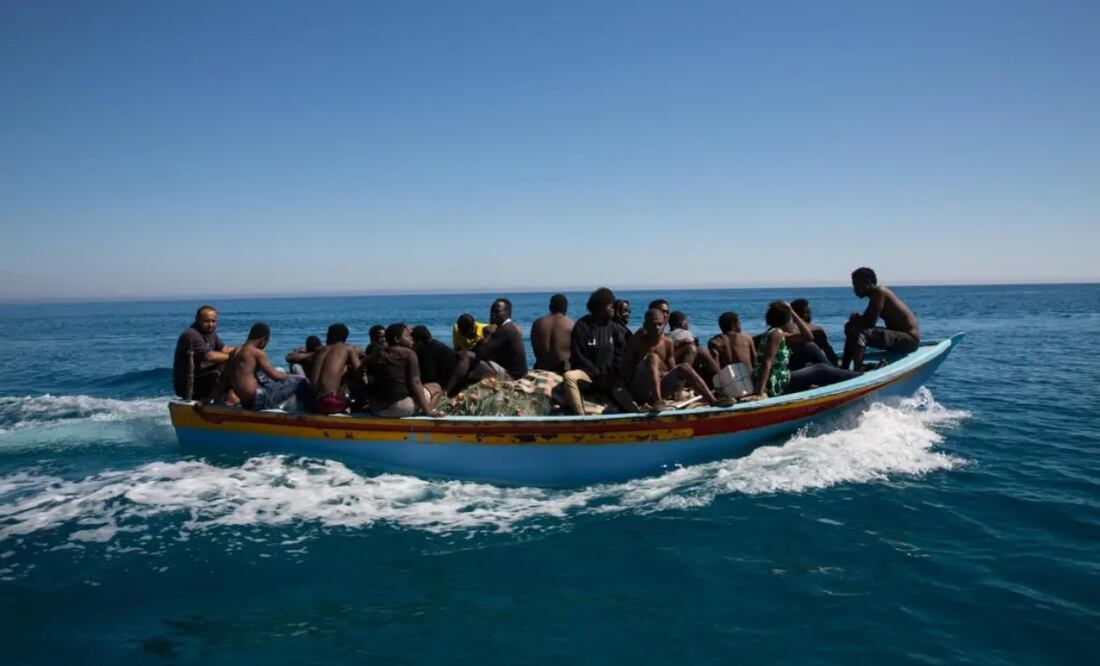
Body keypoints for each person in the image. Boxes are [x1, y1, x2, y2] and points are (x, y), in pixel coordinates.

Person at [620, 308, 731, 410]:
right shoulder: (636, 342)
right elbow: (625, 371)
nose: (657, 328)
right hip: (640, 390)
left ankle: (713, 401)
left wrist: (663, 373)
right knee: (653, 357)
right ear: (646, 325)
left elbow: (672, 368)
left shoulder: (667, 342)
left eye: (660, 324)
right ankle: (657, 401)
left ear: (664, 324)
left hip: (660, 387)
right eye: (653, 325)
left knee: (684, 367)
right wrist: (649, 364)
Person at [745, 302, 859, 401]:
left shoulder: (778, 334)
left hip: (777, 379)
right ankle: (858, 378)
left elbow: (808, 337)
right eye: (790, 318)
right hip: (775, 383)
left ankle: (841, 378)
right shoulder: (776, 334)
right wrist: (759, 393)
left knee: (810, 350)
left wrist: (792, 312)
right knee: (820, 369)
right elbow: (766, 362)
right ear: (786, 319)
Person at [561, 287, 629, 414]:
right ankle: (580, 416)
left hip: (610, 377)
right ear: (600, 308)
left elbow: (621, 352)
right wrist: (596, 374)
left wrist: (612, 373)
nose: (614, 309)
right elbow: (579, 355)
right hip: (588, 376)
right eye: (610, 306)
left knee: (627, 397)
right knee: (569, 377)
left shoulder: (614, 327)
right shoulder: (582, 326)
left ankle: (640, 414)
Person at [841, 268, 921, 369]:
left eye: (856, 284)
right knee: (851, 327)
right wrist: (855, 321)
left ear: (868, 281)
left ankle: (858, 368)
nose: (854, 289)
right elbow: (867, 321)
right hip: (900, 337)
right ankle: (844, 367)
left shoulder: (879, 292)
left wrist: (856, 320)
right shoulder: (875, 295)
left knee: (861, 331)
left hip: (909, 341)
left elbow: (869, 323)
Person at [445, 299, 528, 395]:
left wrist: (487, 336)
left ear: (507, 313)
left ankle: (446, 391)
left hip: (511, 376)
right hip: (513, 373)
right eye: (492, 312)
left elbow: (481, 353)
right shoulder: (509, 328)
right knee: (468, 361)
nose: (493, 315)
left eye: (497, 312)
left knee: (466, 356)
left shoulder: (504, 330)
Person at [224, 322, 308, 410]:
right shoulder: (256, 352)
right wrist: (293, 376)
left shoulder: (234, 352)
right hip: (258, 400)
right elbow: (275, 376)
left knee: (277, 375)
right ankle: (303, 411)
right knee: (302, 381)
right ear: (263, 340)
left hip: (245, 402)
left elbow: (227, 377)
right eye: (266, 343)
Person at [366, 324, 443, 417]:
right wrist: (428, 411)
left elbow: (361, 367)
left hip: (376, 408)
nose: (412, 338)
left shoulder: (378, 352)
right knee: (436, 388)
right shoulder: (409, 354)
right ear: (397, 339)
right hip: (398, 409)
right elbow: (415, 383)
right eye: (407, 336)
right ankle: (428, 411)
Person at [172, 305, 235, 401]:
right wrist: (235, 356)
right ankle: (219, 400)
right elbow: (209, 356)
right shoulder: (191, 335)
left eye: (213, 321)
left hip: (203, 378)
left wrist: (245, 351)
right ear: (197, 320)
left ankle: (225, 399)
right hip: (189, 386)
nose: (210, 324)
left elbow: (224, 349)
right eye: (207, 321)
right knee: (225, 366)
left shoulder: (210, 333)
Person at [307, 323, 361, 414]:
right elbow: (360, 371)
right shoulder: (348, 348)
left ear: (330, 335)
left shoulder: (320, 350)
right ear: (345, 337)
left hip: (313, 403)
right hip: (330, 403)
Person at [667, 311, 722, 386]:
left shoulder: (667, 336)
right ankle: (722, 379)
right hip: (683, 370)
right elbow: (695, 349)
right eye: (687, 323)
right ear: (681, 324)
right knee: (703, 351)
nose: (688, 326)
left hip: (673, 369)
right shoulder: (684, 333)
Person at [530, 293, 574, 373]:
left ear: (550, 307)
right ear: (566, 308)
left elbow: (534, 348)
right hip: (563, 371)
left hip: (541, 369)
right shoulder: (572, 325)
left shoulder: (537, 323)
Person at [789, 298, 839, 367]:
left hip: (793, 368)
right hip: (816, 368)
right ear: (806, 314)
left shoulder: (785, 331)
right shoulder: (818, 330)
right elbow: (830, 354)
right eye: (810, 312)